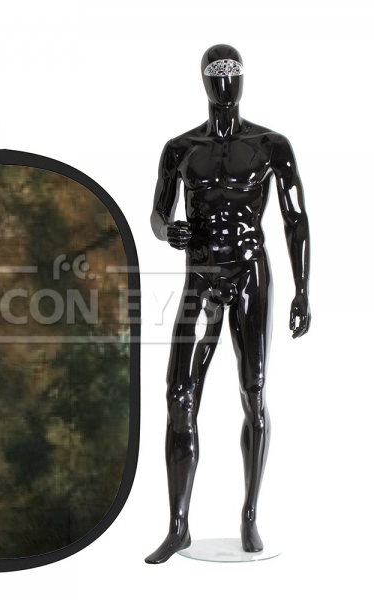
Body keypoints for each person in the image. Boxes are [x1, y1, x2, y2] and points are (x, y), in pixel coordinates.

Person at [145, 44, 311, 564]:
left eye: (231, 72)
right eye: (216, 73)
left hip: (249, 272)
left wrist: (303, 289)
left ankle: (250, 515)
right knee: (179, 395)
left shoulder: (270, 145)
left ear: (242, 79)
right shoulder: (180, 149)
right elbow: (157, 215)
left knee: (252, 392)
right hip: (200, 274)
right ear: (204, 80)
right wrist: (168, 231)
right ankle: (178, 526)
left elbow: (294, 219)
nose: (224, 82)